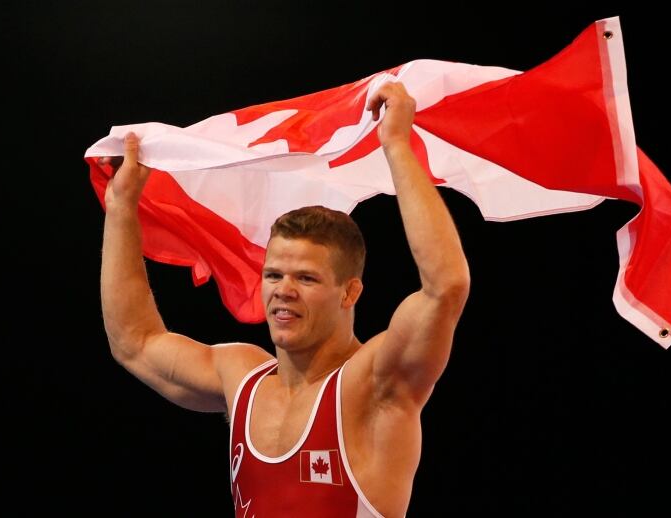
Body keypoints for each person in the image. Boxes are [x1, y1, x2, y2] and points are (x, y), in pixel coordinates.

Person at [99, 81, 470, 517]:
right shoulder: (243, 379)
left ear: (350, 291)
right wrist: (123, 206)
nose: (283, 290)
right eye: (273, 274)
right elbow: (135, 341)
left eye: (306, 278)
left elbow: (446, 287)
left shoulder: (373, 383)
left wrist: (397, 148)